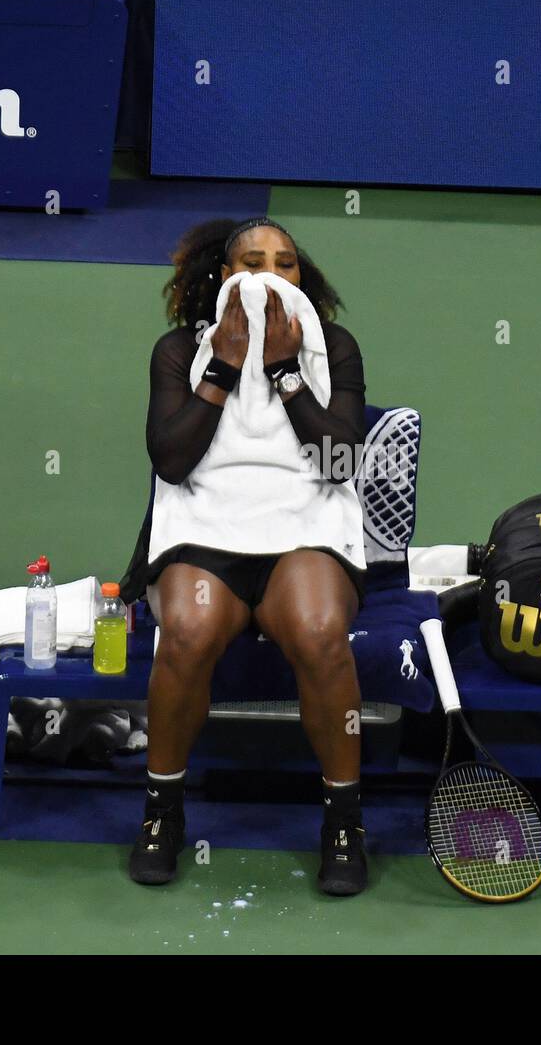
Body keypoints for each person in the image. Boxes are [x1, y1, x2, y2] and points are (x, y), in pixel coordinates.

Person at [119, 216, 371, 895]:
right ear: (225, 277)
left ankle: (344, 821)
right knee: (190, 631)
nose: (267, 274)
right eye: (251, 261)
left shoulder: (334, 349)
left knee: (321, 633)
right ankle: (162, 813)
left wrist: (287, 372)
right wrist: (225, 369)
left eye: (284, 264)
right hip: (206, 528)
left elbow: (340, 460)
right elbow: (172, 461)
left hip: (306, 530)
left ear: (301, 282)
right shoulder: (179, 351)